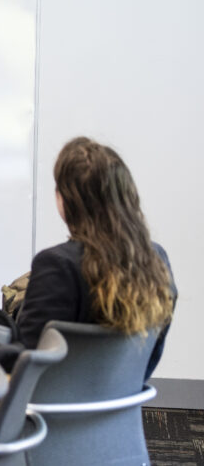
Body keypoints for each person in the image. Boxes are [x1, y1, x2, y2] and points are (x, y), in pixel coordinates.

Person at [17, 137, 176, 378]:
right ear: (125, 195)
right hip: (121, 410)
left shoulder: (57, 266)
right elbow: (148, 359)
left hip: (51, 413)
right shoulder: (156, 260)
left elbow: (24, 366)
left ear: (65, 200)